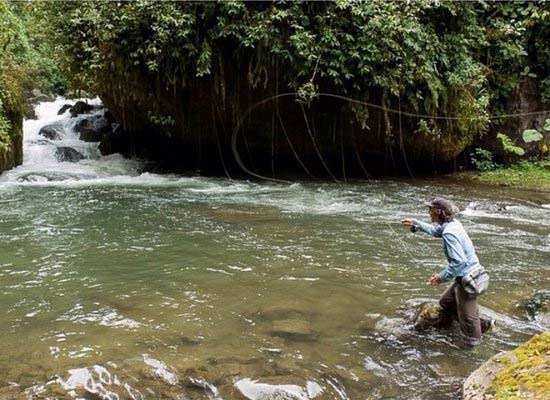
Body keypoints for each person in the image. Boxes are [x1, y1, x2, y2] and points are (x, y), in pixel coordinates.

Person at [401, 197, 493, 340]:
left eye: (430, 210)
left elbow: (459, 262)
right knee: (446, 302)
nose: (428, 213)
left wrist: (441, 277)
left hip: (467, 281)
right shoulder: (453, 224)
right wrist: (416, 224)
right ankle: (481, 324)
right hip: (465, 275)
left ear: (437, 212)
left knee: (470, 320)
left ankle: (472, 346)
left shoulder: (449, 233)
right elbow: (436, 231)